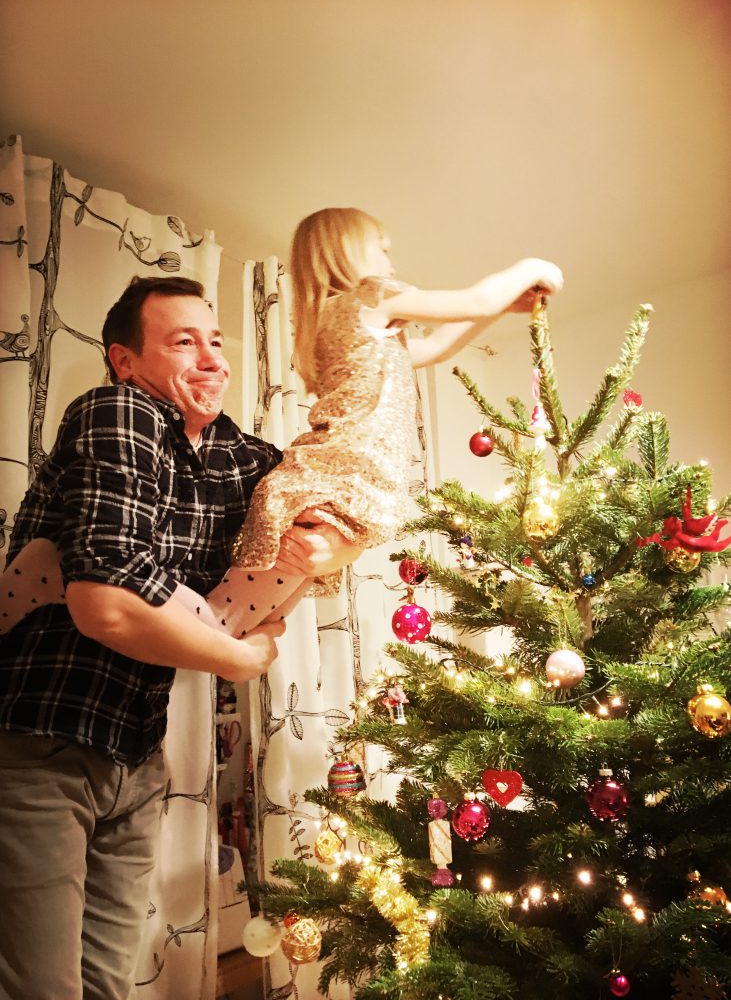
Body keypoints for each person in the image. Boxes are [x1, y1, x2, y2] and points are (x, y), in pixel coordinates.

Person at [0, 274, 361, 1000]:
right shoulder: (118, 409)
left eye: (215, 341)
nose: (211, 358)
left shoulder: (241, 458)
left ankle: (58, 573)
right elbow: (104, 607)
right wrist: (239, 657)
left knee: (106, 981)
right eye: (182, 342)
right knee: (44, 987)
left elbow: (339, 493)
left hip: (137, 753)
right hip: (45, 736)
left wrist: (331, 547)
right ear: (125, 360)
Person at [1, 208, 564, 639]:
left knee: (257, 611)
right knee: (223, 623)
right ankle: (51, 574)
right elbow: (471, 300)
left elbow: (436, 346)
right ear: (349, 253)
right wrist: (529, 271)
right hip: (342, 477)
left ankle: (57, 576)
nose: (391, 263)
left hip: (338, 477)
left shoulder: (355, 330)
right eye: (383, 250)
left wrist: (503, 308)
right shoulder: (370, 296)